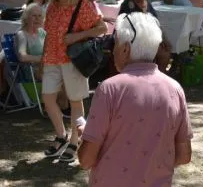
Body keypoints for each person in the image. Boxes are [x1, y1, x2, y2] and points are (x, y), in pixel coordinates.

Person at [77, 12, 192, 185]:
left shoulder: (109, 89)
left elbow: (86, 160)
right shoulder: (175, 89)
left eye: (114, 43)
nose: (111, 49)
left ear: (125, 49)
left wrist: (83, 138)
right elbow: (184, 155)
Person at [41, 0, 107, 162]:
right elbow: (49, 35)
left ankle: (74, 140)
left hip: (73, 59)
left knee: (75, 100)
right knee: (48, 98)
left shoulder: (83, 5)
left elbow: (102, 28)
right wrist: (42, 59)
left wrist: (77, 36)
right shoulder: (52, 6)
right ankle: (61, 135)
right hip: (52, 58)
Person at [16, 3, 46, 82]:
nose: (37, 19)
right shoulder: (22, 34)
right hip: (32, 70)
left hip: (46, 68)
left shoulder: (42, 32)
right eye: (34, 16)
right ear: (26, 18)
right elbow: (22, 57)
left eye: (40, 16)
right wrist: (41, 59)